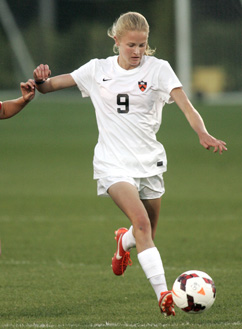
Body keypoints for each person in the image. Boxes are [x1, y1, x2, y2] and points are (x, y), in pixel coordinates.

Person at [33, 12, 227, 317]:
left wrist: (202, 132)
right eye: (131, 45)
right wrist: (39, 80)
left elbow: (186, 105)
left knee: (144, 231)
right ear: (117, 41)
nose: (137, 51)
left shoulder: (159, 70)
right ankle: (164, 294)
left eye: (142, 45)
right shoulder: (98, 70)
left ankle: (123, 243)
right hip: (112, 164)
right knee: (142, 224)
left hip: (149, 163)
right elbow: (50, 86)